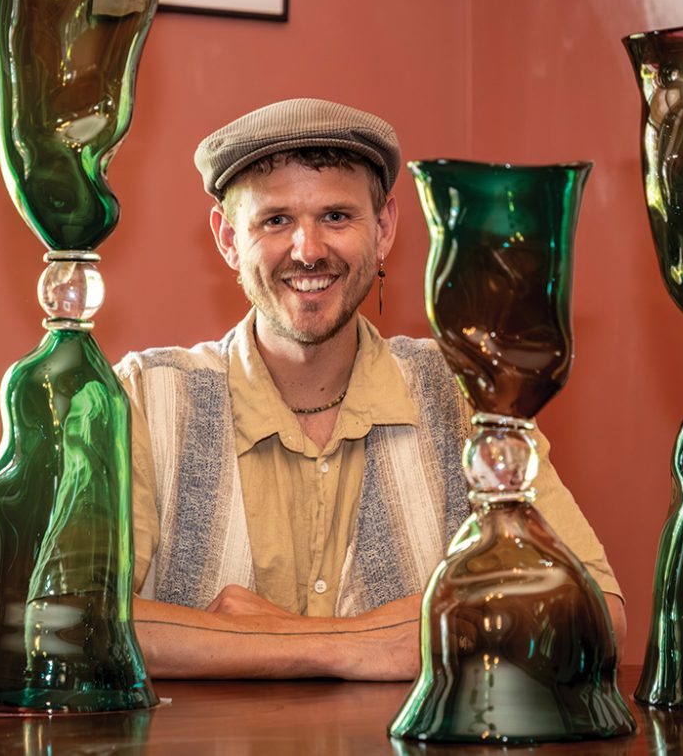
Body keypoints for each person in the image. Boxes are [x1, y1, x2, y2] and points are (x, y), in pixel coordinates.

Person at [115, 98, 623, 679]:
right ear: (228, 238)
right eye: (275, 220)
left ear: (383, 230)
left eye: (336, 216)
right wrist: (365, 643)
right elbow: (70, 624)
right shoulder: (145, 399)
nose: (308, 250)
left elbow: (599, 614)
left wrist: (258, 639)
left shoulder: (466, 393)